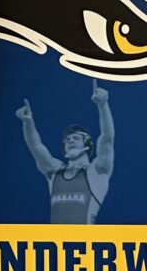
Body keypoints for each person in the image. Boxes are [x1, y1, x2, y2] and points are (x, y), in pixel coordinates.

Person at [16, 80, 114, 224]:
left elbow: (107, 138)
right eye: (67, 140)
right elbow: (35, 146)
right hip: (56, 244)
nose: (70, 141)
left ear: (86, 144)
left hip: (83, 244)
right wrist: (27, 122)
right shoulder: (54, 171)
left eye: (75, 138)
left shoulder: (97, 172)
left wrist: (103, 105)